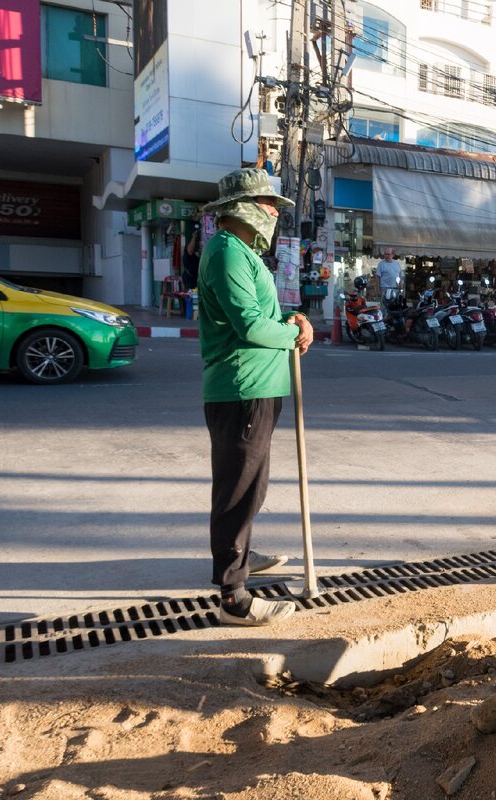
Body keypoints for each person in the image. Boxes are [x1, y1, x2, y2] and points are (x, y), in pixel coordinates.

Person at [197, 168, 314, 627]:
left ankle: (241, 552)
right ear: (242, 207)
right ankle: (233, 598)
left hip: (262, 387)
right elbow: (249, 326)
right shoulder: (226, 252)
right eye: (267, 204)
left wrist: (294, 317)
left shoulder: (241, 252)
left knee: (252, 486)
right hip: (242, 388)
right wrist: (290, 330)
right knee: (237, 489)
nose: (273, 212)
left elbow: (265, 313)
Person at [181, 224, 201, 291]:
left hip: (195, 280)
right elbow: (190, 249)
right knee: (193, 297)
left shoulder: (193, 256)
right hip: (190, 282)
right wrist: (194, 237)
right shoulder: (187, 256)